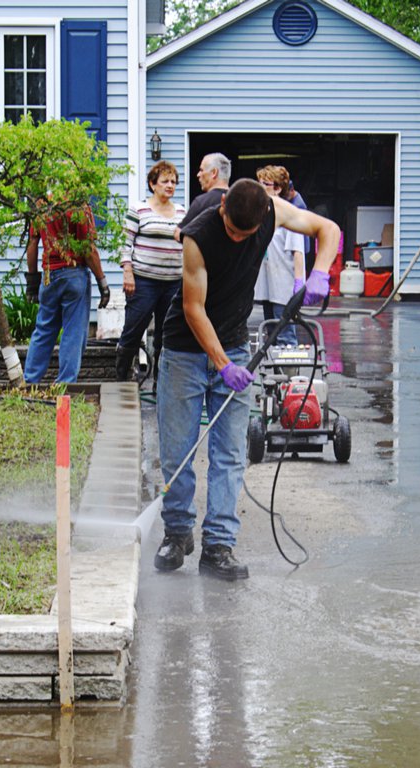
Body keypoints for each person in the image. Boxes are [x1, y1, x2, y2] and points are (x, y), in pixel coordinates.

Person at [156, 179, 340, 580]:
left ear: (260, 224)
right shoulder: (198, 236)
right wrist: (223, 365)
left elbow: (329, 230)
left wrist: (319, 274)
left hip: (236, 344)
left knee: (229, 455)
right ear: (222, 206)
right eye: (232, 229)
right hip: (185, 352)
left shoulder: (272, 210)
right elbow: (193, 309)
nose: (237, 238)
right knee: (178, 453)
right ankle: (176, 533)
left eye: (246, 234)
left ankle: (218, 546)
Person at [23, 206, 110, 384]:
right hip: (74, 273)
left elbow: (32, 243)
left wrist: (32, 281)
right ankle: (65, 385)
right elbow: (88, 249)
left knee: (44, 330)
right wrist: (102, 282)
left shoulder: (41, 205)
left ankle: (30, 382)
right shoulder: (78, 206)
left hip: (49, 275)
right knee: (73, 332)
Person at [117, 160, 186, 381]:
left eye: (173, 182)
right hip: (144, 282)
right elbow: (125, 244)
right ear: (152, 184)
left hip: (173, 283)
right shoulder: (139, 209)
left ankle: (161, 382)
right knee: (133, 330)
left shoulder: (182, 212)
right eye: (165, 181)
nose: (170, 185)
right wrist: (128, 272)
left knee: (166, 336)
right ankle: (122, 379)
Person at [252, 165, 306, 346]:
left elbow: (298, 252)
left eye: (264, 184)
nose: (260, 188)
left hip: (284, 288)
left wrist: (299, 286)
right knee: (271, 335)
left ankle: (290, 373)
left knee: (285, 336)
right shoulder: (263, 213)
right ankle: (276, 374)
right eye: (258, 183)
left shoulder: (289, 214)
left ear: (277, 188)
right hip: (268, 286)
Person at [177, 152, 232, 234]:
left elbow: (179, 234)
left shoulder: (200, 202)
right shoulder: (240, 202)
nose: (198, 174)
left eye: (201, 170)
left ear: (214, 172)